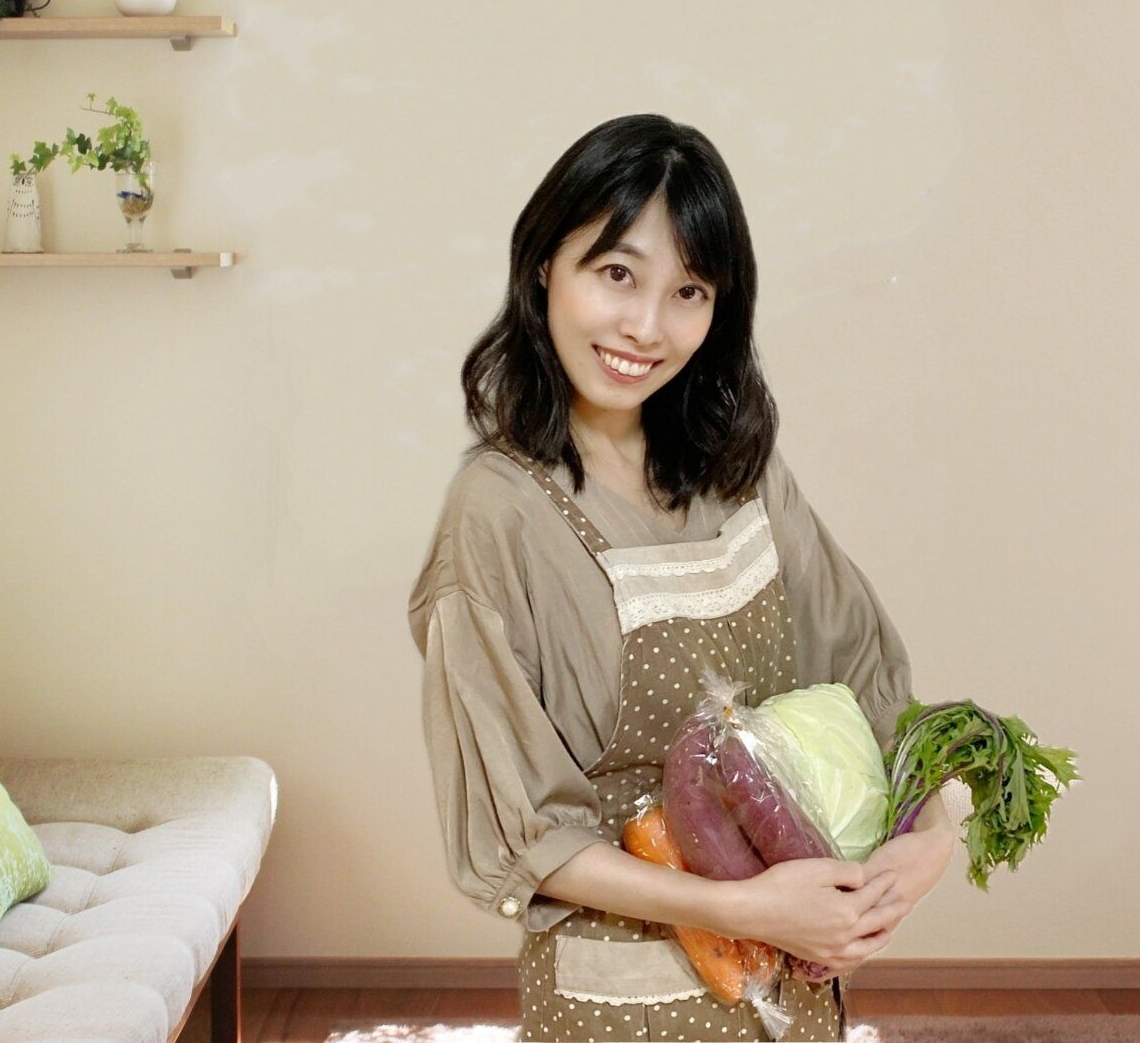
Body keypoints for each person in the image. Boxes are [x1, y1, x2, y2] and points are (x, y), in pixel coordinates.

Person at [407, 114, 956, 1042]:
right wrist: (745, 909)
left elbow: (863, 678)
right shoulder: (498, 511)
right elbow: (525, 834)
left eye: (688, 290)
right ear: (544, 265)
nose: (646, 327)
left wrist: (930, 836)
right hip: (618, 998)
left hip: (792, 982)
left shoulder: (741, 475)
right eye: (616, 274)